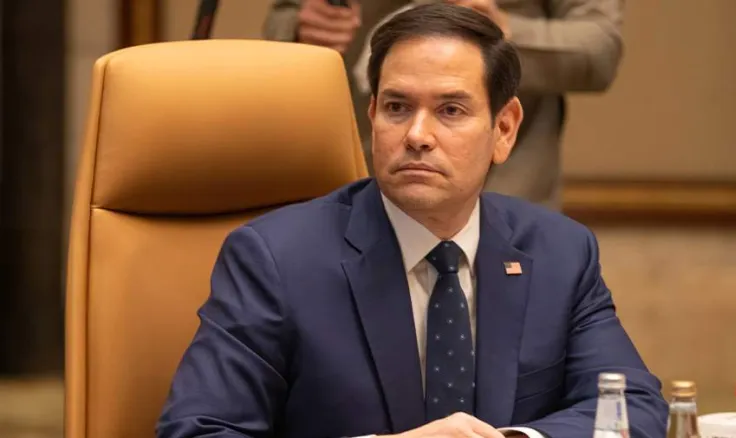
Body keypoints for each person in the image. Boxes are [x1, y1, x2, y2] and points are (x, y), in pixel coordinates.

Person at [157, 4, 665, 438]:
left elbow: (633, 407)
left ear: (504, 129)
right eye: (397, 107)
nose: (417, 135)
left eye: (450, 110)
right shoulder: (276, 259)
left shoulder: (559, 252)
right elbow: (198, 429)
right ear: (372, 115)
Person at [263, 0, 624, 210]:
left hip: (503, 189)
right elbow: (284, 18)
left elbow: (599, 48)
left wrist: (503, 33)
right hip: (347, 178)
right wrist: (300, 30)